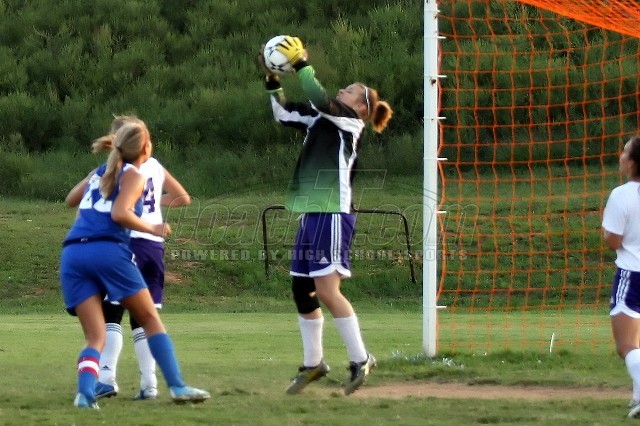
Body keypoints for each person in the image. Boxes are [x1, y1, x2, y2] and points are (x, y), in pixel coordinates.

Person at [258, 36, 393, 395]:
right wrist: (272, 79)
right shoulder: (322, 117)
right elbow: (282, 113)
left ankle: (361, 358)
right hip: (312, 215)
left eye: (350, 90)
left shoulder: (349, 121)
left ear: (361, 107)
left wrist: (301, 63)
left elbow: (320, 98)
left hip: (333, 212)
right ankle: (314, 363)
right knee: (302, 290)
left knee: (327, 291)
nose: (342, 90)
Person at [60, 120, 209, 409]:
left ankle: (85, 395)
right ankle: (177, 386)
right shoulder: (134, 175)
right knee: (150, 319)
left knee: (95, 336)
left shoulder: (100, 172)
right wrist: (152, 228)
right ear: (145, 147)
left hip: (73, 253)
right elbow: (119, 214)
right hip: (107, 250)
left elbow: (71, 200)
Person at [602, 135, 640, 419]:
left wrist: (606, 233)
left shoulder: (622, 195)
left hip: (633, 275)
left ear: (633, 163)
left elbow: (613, 241)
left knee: (625, 345)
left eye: (625, 152)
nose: (621, 156)